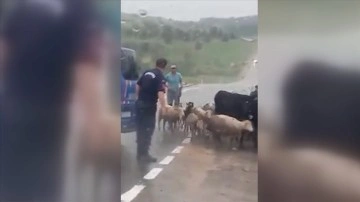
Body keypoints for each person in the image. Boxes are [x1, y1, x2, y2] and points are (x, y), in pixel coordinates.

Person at [0, 1, 99, 201]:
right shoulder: (79, 8)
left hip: (12, 108)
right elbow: (84, 67)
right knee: (41, 185)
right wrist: (93, 123)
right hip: (48, 116)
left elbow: (4, 51)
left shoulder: (24, 6)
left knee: (10, 181)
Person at [135, 58, 169, 162]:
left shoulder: (147, 72)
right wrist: (163, 108)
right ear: (164, 66)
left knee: (140, 129)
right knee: (148, 129)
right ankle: (144, 155)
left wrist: (138, 98)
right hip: (149, 106)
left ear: (156, 64)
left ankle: (139, 153)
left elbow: (138, 85)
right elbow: (160, 93)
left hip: (139, 104)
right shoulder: (160, 76)